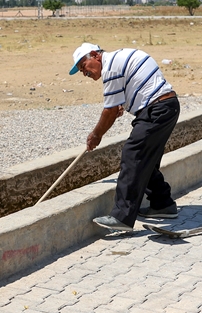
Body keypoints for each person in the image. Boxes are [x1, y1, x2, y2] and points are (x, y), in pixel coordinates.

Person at [69, 42, 180, 232]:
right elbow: (128, 92)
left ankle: (122, 216)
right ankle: (163, 204)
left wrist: (96, 135)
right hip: (167, 107)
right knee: (146, 160)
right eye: (81, 71)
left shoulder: (111, 67)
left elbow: (110, 110)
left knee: (132, 155)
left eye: (83, 67)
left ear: (95, 55)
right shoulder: (118, 59)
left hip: (157, 110)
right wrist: (124, 103)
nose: (84, 74)